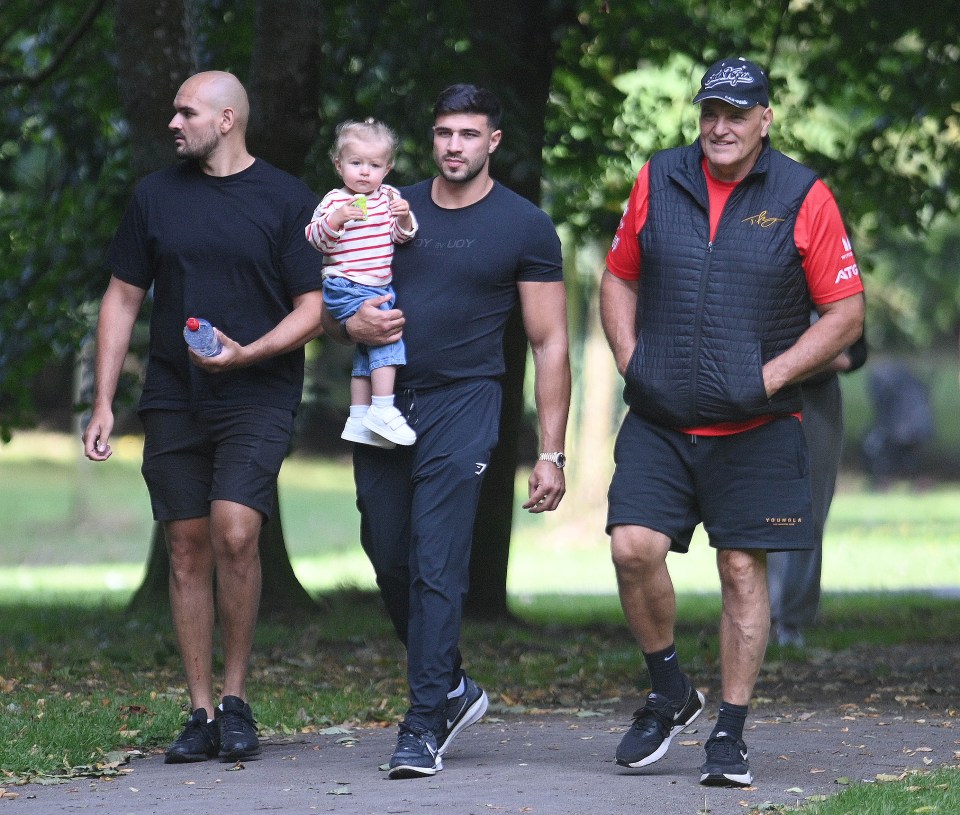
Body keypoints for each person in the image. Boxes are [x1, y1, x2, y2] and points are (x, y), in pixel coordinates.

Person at [600, 56, 865, 787]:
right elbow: (618, 274)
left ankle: (731, 730)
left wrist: (769, 376)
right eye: (710, 112)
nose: (720, 126)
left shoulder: (803, 195)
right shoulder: (658, 178)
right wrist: (632, 360)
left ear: (765, 120)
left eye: (737, 114)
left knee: (742, 569)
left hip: (755, 427)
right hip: (660, 420)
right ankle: (670, 689)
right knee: (632, 547)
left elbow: (846, 314)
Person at [324, 84, 571, 779]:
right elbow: (329, 302)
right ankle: (454, 684)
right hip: (384, 401)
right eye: (443, 133)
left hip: (467, 402)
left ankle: (423, 721)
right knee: (386, 547)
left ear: (493, 140)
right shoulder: (384, 206)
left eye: (468, 133)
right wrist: (349, 325)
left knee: (437, 559)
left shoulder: (524, 226)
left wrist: (550, 451)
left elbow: (550, 342)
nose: (454, 145)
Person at [82, 71, 324, 764]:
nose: (173, 122)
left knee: (236, 531)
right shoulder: (155, 197)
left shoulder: (285, 199)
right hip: (173, 394)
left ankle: (238, 697)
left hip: (258, 392)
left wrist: (250, 353)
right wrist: (103, 399)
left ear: (226, 120)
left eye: (185, 111)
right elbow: (122, 298)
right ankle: (199, 709)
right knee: (186, 543)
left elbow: (313, 307)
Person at [305, 119, 418, 449]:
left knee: (368, 349)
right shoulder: (334, 202)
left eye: (374, 165)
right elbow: (315, 239)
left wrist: (404, 216)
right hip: (346, 285)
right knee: (387, 339)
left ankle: (358, 418)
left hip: (376, 287)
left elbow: (402, 237)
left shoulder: (389, 198)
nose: (365, 172)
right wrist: (337, 219)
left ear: (388, 167)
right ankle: (382, 409)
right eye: (356, 163)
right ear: (339, 165)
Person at [768, 331, 867, 649]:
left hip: (815, 401)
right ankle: (757, 616)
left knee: (808, 511)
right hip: (757, 396)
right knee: (763, 510)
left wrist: (797, 364)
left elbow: (855, 352)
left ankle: (790, 620)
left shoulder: (834, 286)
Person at [862, 360, 935, 488]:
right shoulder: (909, 385)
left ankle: (887, 479)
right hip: (916, 426)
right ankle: (910, 480)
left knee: (883, 447)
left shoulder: (892, 385)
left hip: (902, 428)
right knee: (909, 454)